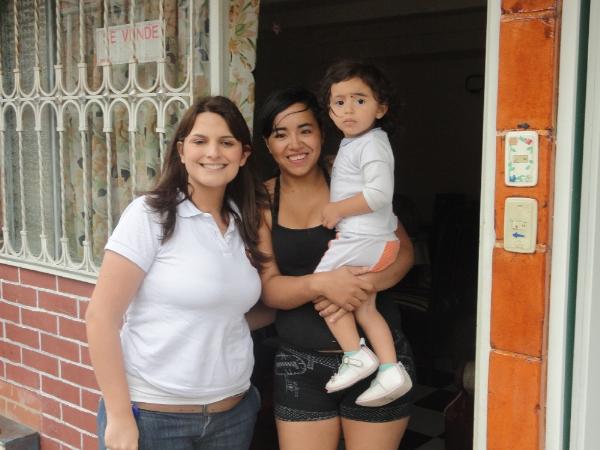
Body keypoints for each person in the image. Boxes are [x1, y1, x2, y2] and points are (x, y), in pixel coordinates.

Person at [86, 96, 273, 450]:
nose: (213, 153)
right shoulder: (151, 215)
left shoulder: (245, 221)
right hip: (154, 417)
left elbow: (242, 310)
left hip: (233, 414)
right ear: (182, 151)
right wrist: (120, 415)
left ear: (243, 155)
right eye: (200, 141)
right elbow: (100, 318)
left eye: (226, 142)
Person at [256, 87, 416, 450]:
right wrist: (324, 284)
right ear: (267, 144)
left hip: (381, 360)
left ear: (322, 132)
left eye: (305, 130)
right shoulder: (262, 200)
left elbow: (403, 252)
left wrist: (365, 285)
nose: (295, 144)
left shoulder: (348, 176)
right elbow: (270, 289)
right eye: (280, 134)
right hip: (300, 364)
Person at [315, 60, 412, 407]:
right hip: (374, 240)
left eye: (359, 100)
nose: (348, 109)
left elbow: (379, 194)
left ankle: (355, 354)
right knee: (366, 308)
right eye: (339, 102)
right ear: (330, 110)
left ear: (381, 108)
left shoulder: (371, 143)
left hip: (364, 239)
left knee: (323, 288)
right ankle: (390, 369)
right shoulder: (356, 143)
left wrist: (337, 209)